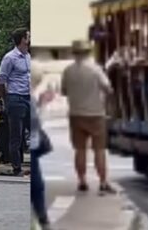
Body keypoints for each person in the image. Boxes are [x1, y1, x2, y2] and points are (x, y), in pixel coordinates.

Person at [61, 40, 115, 195]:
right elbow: (108, 88)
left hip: (76, 114)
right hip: (96, 114)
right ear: (88, 52)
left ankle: (82, 180)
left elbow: (64, 91)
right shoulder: (95, 69)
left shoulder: (68, 71)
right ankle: (103, 182)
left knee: (80, 150)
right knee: (99, 150)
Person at [0, 28, 31, 176]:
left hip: (28, 97)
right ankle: (17, 167)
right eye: (28, 36)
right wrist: (6, 99)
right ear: (23, 39)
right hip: (15, 97)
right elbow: (1, 81)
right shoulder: (10, 58)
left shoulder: (28, 56)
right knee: (16, 135)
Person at [31, 64, 53, 230]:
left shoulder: (32, 95)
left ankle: (41, 218)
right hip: (32, 143)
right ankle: (42, 219)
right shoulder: (29, 95)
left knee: (37, 185)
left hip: (35, 142)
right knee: (37, 185)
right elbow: (35, 121)